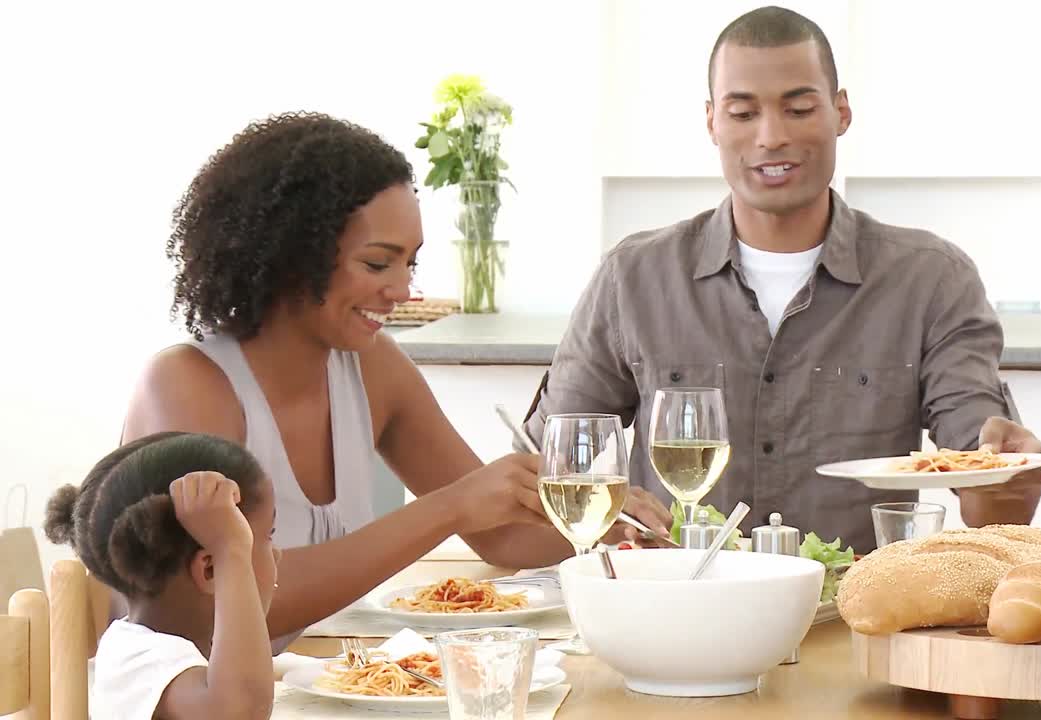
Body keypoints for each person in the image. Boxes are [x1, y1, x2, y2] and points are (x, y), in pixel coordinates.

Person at [121, 112, 672, 649]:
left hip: (308, 688)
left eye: (410, 264)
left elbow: (499, 535)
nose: (404, 292)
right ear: (293, 257)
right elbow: (218, 607)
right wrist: (451, 507)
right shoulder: (187, 386)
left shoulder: (370, 367)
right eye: (378, 264)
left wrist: (600, 526)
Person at [523, 5, 1041, 553]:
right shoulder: (633, 277)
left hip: (855, 618)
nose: (771, 137)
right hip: (675, 612)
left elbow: (988, 487)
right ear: (712, 123)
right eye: (743, 113)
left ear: (841, 113)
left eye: (798, 109)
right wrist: (596, 512)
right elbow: (548, 471)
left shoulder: (932, 279)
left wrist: (1009, 466)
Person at [45, 432, 278, 720]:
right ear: (210, 569)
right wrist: (231, 550)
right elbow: (242, 710)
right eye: (269, 536)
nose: (278, 555)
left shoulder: (152, 647)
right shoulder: (143, 660)